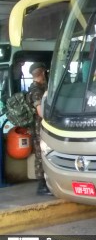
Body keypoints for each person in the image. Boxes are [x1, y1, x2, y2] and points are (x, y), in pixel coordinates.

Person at [28, 62, 52, 196]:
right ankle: (42, 186)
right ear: (42, 73)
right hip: (39, 129)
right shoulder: (37, 91)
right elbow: (41, 112)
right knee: (40, 156)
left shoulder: (37, 88)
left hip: (40, 128)